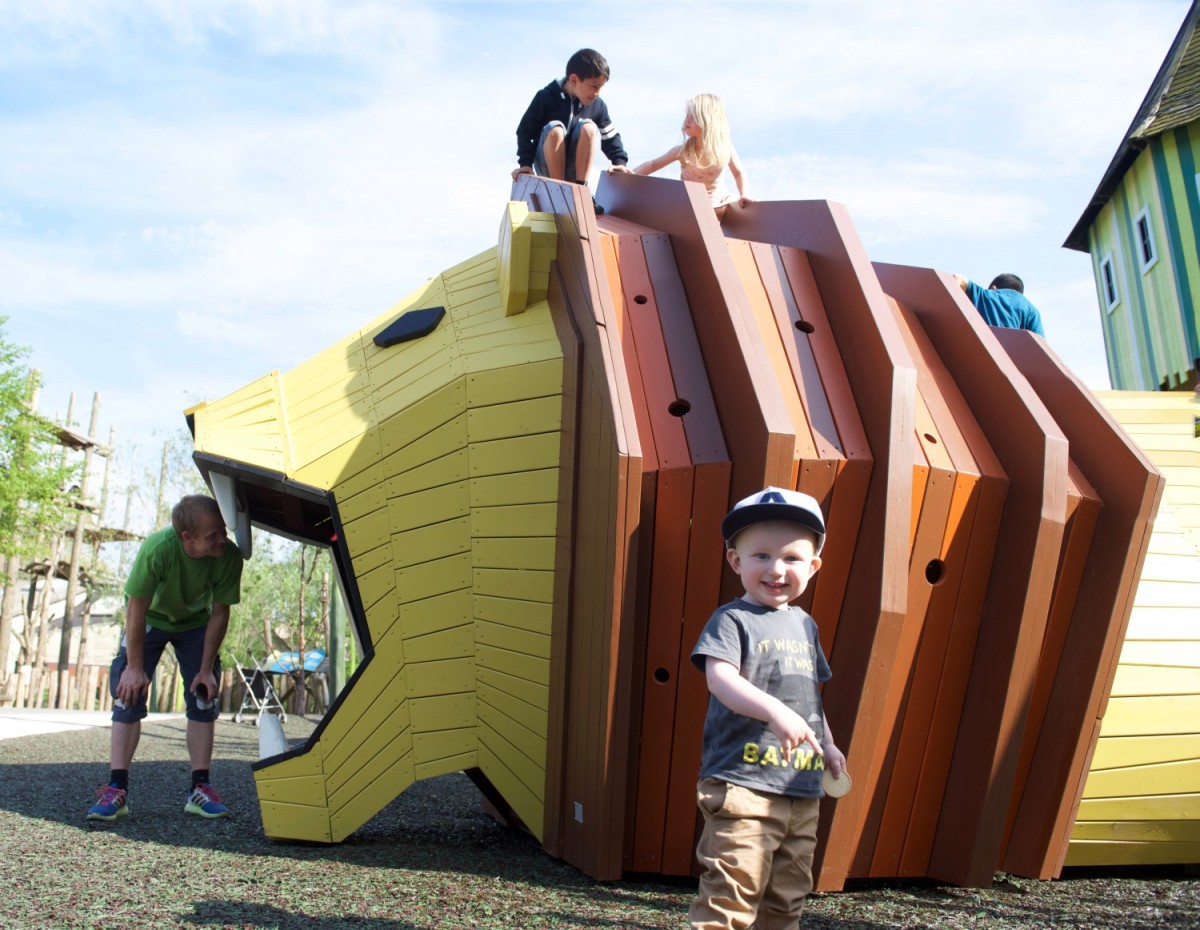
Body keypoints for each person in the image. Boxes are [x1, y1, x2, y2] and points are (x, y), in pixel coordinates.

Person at [689, 486, 847, 930]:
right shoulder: (732, 620)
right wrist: (775, 713)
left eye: (792, 558)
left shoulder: (804, 624)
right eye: (761, 556)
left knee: (787, 898)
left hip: (801, 788)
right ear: (735, 561)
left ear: (813, 566)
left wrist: (829, 745)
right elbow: (721, 681)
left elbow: (809, 698)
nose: (777, 569)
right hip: (744, 784)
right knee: (731, 892)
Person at [86, 494, 244, 822]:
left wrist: (205, 670)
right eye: (212, 535)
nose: (222, 539)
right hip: (151, 619)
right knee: (127, 694)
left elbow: (219, 612)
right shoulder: (158, 549)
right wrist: (133, 667)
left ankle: (200, 789)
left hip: (196, 623)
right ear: (187, 537)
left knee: (204, 698)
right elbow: (136, 607)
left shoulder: (228, 557)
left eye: (223, 530)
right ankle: (117, 788)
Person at [511, 48, 631, 191]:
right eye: (593, 86)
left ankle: (581, 190)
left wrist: (620, 162)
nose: (597, 93)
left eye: (600, 87)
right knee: (555, 129)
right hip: (548, 167)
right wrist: (525, 164)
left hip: (575, 169)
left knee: (589, 128)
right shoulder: (546, 98)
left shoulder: (598, 106)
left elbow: (610, 137)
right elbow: (524, 132)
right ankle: (558, 190)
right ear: (574, 80)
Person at [633, 93, 750, 221]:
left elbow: (739, 173)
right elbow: (653, 164)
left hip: (718, 205)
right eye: (687, 115)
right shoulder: (684, 151)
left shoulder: (724, 148)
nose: (687, 120)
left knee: (746, 212)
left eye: (693, 116)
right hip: (691, 206)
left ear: (707, 120)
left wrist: (744, 194)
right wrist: (629, 174)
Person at [953, 272, 1046, 336]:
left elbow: (957, 278)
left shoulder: (984, 294)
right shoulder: (1031, 310)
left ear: (993, 288)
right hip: (1009, 359)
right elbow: (1041, 343)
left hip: (983, 348)